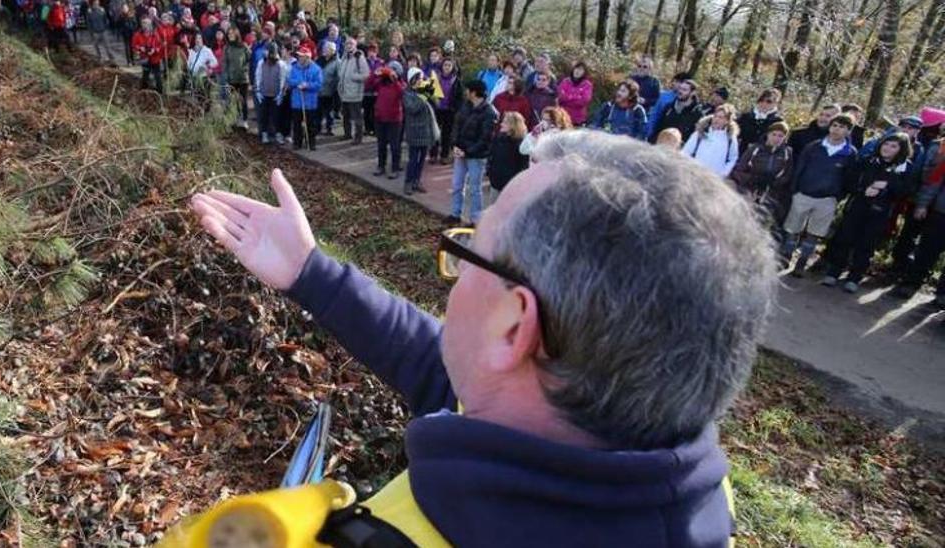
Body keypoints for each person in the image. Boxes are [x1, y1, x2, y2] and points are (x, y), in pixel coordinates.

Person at [185, 130, 775, 547]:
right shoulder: (689, 488)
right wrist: (314, 273)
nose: (456, 271)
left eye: (468, 251)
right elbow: (452, 374)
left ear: (515, 325)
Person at [821, 132, 914, 292]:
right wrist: (864, 188)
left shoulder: (905, 168)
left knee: (866, 244)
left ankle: (854, 277)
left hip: (881, 212)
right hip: (858, 205)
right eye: (886, 144)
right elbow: (850, 180)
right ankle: (834, 272)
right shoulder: (867, 160)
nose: (887, 148)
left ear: (901, 149)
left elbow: (905, 191)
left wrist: (886, 185)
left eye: (893, 146)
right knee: (845, 238)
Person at [779, 113, 858, 276]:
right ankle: (785, 257)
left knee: (814, 234)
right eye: (834, 125)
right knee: (793, 229)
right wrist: (795, 190)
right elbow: (799, 168)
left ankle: (801, 263)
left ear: (848, 131)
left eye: (842, 127)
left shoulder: (850, 153)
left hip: (827, 199)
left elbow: (849, 179)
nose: (836, 130)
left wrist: (838, 196)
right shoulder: (814, 146)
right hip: (803, 194)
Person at [890, 136, 945, 305]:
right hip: (941, 213)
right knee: (927, 251)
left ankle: (942, 296)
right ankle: (911, 283)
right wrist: (922, 205)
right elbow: (935, 182)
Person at [448, 80, 497, 226]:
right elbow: (456, 125)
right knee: (457, 185)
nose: (465, 92)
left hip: (476, 156)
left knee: (475, 189)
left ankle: (475, 220)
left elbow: (485, 138)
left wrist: (467, 151)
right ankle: (455, 214)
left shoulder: (489, 112)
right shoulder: (466, 105)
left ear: (474, 92)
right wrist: (455, 145)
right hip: (461, 152)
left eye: (467, 90)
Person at [730, 121, 794, 228]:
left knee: (761, 224)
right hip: (749, 191)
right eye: (774, 134)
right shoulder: (755, 149)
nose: (776, 138)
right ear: (768, 134)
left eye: (780, 136)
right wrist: (753, 179)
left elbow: (787, 173)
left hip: (770, 194)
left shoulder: (787, 153)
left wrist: (775, 182)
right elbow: (739, 170)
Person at [402, 75, 440, 195]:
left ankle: (417, 181)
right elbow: (412, 109)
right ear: (412, 80)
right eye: (417, 79)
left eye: (421, 79)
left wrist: (433, 95)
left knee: (422, 159)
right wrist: (423, 96)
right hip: (414, 132)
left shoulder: (423, 92)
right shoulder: (407, 94)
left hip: (425, 131)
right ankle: (408, 182)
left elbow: (436, 106)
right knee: (413, 159)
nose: (420, 81)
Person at [681, 104, 740, 178]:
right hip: (694, 175)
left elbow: (733, 158)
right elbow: (686, 152)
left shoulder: (730, 138)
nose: (716, 119)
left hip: (714, 179)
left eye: (721, 117)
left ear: (727, 121)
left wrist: (724, 173)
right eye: (715, 116)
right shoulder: (700, 133)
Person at [370, 64, 405, 177]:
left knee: (395, 145)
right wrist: (374, 74)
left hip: (394, 120)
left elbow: (403, 93)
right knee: (381, 144)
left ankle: (395, 168)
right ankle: (381, 166)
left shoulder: (399, 84)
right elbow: (368, 85)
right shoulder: (380, 83)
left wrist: (395, 80)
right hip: (380, 118)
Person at [286, 47, 323, 150]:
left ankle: (311, 143)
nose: (299, 58)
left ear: (308, 57)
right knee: (297, 124)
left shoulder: (316, 69)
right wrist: (298, 83)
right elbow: (289, 80)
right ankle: (297, 143)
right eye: (299, 56)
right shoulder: (294, 68)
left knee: (310, 124)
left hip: (310, 102)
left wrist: (307, 85)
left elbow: (319, 84)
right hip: (297, 102)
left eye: (302, 56)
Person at [487, 112, 528, 202]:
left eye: (505, 122)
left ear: (513, 125)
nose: (501, 124)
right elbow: (491, 157)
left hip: (511, 186)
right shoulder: (498, 139)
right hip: (495, 184)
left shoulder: (521, 144)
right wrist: (489, 172)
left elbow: (524, 166)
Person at [336, 37, 369, 144]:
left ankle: (358, 137)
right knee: (345, 116)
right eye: (347, 44)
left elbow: (366, 75)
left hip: (355, 92)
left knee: (357, 117)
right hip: (344, 92)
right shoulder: (344, 57)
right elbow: (341, 72)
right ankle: (347, 134)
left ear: (355, 45)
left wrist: (353, 76)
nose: (349, 46)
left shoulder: (359, 58)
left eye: (351, 44)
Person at [432, 58, 465, 165]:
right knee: (435, 132)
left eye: (449, 65)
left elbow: (460, 98)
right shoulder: (436, 78)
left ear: (452, 67)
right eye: (445, 65)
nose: (446, 67)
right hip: (437, 109)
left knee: (447, 134)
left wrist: (456, 109)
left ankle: (444, 155)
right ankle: (433, 154)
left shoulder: (456, 80)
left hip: (449, 111)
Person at [254, 44, 289, 144]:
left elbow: (283, 79)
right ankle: (264, 134)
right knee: (263, 115)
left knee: (277, 116)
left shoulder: (281, 65)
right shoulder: (261, 63)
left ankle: (278, 134)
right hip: (264, 94)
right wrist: (258, 91)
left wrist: (281, 94)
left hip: (276, 95)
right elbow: (258, 76)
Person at [735, 88, 784, 153]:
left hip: (763, 156)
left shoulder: (777, 121)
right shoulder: (746, 116)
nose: (764, 103)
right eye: (761, 100)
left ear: (776, 103)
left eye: (769, 101)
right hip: (742, 153)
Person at [223, 28, 252, 128]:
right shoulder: (227, 48)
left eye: (232, 33)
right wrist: (226, 77)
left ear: (236, 34)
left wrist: (245, 69)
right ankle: (233, 119)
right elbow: (225, 63)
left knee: (243, 100)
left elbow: (249, 58)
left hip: (243, 78)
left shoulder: (243, 46)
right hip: (231, 79)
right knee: (231, 100)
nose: (230, 35)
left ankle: (244, 120)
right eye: (228, 34)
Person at [133, 16, 166, 93]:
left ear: (150, 24)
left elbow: (160, 45)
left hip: (155, 58)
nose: (145, 25)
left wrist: (155, 50)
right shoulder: (137, 35)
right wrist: (140, 48)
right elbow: (134, 45)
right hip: (145, 58)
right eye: (143, 23)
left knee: (157, 76)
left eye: (147, 23)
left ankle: (160, 91)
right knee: (145, 75)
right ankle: (143, 90)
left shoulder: (155, 34)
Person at [557, 61, 593, 126]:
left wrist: (568, 97)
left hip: (578, 120)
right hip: (563, 117)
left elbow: (584, 100)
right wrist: (576, 97)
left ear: (584, 72)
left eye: (581, 70)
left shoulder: (587, 85)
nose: (577, 71)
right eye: (576, 68)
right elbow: (560, 97)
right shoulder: (565, 81)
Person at [186, 33, 219, 102]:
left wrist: (208, 67)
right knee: (197, 97)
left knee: (205, 96)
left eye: (199, 38)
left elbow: (215, 62)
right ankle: (201, 110)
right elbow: (189, 63)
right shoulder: (192, 51)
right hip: (194, 77)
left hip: (204, 77)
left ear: (202, 39)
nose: (198, 40)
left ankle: (206, 110)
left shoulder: (207, 50)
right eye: (196, 38)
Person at [318, 41, 340, 136]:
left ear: (332, 51)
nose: (324, 50)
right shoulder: (319, 60)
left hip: (330, 91)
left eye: (326, 49)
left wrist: (335, 89)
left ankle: (329, 128)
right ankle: (317, 128)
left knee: (329, 112)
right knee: (317, 111)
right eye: (324, 48)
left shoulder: (337, 62)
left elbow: (338, 78)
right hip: (318, 90)